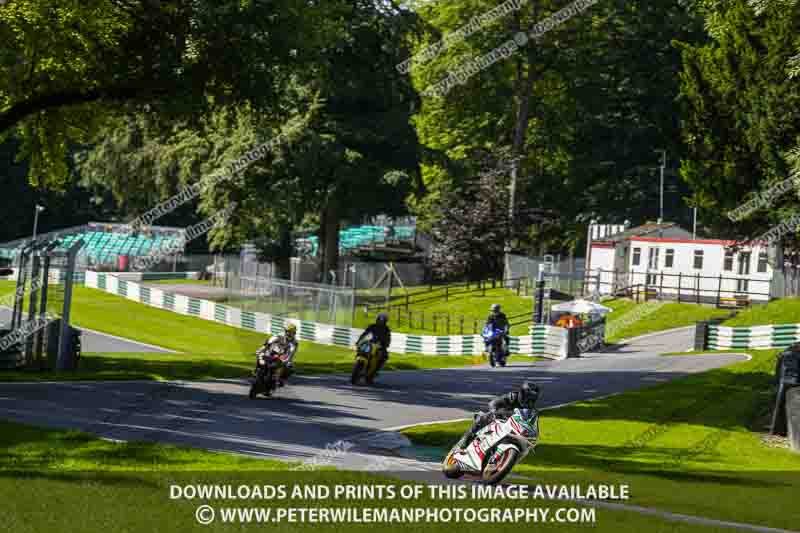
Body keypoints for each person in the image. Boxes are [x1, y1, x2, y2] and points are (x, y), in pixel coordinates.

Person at [455, 381, 540, 451]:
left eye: (532, 399)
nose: (529, 401)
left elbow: (532, 424)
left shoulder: (531, 410)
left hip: (511, 427)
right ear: (522, 393)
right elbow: (494, 402)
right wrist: (494, 411)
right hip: (498, 418)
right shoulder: (512, 397)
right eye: (528, 398)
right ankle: (464, 442)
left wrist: (533, 434)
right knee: (482, 418)